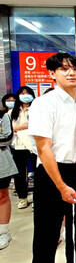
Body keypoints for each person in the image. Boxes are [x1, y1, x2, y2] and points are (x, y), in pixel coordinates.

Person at [28, 52, 76, 263]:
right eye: (64, 69)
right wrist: (61, 186)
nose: (71, 73)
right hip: (52, 173)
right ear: (52, 74)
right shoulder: (44, 103)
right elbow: (43, 149)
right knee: (47, 234)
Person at [9, 86, 37, 209]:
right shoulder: (12, 112)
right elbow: (8, 128)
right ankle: (22, 197)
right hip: (18, 146)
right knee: (20, 174)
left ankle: (37, 198)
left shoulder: (36, 109)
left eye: (27, 93)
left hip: (34, 145)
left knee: (38, 172)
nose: (25, 95)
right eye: (22, 93)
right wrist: (21, 127)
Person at [0, 104, 17, 249]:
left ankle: (3, 231)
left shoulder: (3, 115)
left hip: (1, 160)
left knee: (2, 195)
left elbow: (7, 138)